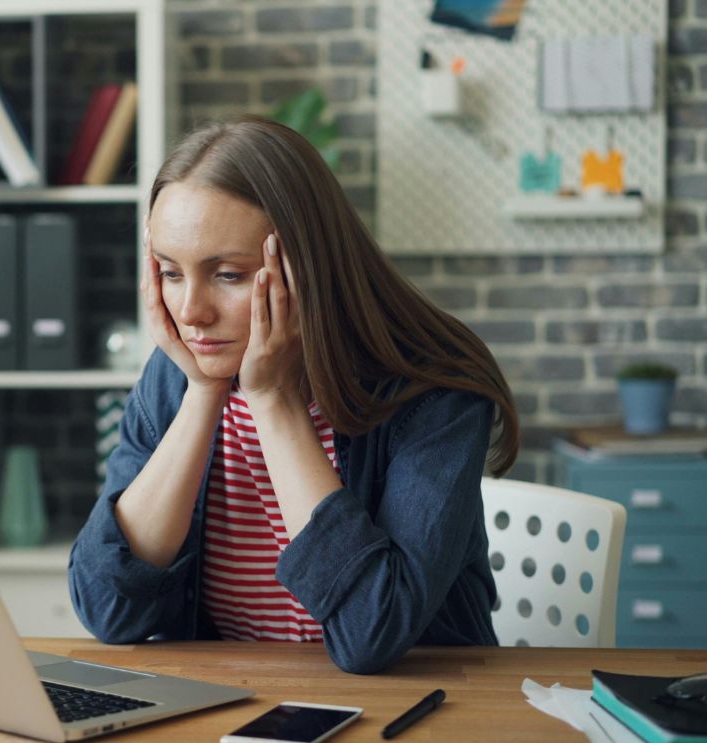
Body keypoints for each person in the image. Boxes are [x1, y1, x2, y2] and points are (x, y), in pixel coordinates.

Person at [68, 115, 519, 675]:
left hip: (414, 711)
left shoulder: (432, 390)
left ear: (309, 265)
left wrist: (274, 400)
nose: (190, 313)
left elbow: (370, 634)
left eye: (228, 275)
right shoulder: (179, 374)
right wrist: (204, 392)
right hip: (235, 701)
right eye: (170, 273)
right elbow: (107, 609)